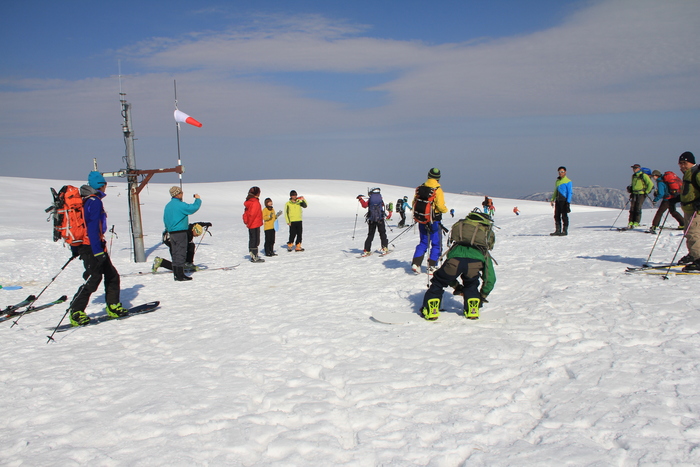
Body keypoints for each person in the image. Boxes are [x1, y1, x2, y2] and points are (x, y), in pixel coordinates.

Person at [67, 171, 128, 326]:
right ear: (102, 185)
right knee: (93, 278)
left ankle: (113, 305)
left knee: (112, 275)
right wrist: (98, 251)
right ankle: (76, 311)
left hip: (90, 246)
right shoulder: (94, 202)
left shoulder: (85, 200)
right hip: (92, 247)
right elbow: (92, 228)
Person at [420, 211, 496, 321]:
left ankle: (431, 309)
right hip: (474, 264)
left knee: (439, 281)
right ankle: (472, 308)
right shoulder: (483, 252)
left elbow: (448, 274)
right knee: (471, 284)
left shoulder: (455, 247)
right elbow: (490, 278)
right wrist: (482, 295)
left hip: (454, 261)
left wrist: (456, 286)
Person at [411, 168, 448, 273]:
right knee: (436, 243)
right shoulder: (437, 190)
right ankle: (432, 266)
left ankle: (416, 263)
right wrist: (445, 210)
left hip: (422, 219)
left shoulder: (420, 188)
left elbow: (414, 201)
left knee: (423, 242)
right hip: (434, 220)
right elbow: (440, 206)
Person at [164, 186, 202, 281]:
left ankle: (176, 274)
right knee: (181, 253)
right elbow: (192, 208)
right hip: (180, 232)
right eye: (181, 193)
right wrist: (198, 199)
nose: (182, 194)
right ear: (178, 194)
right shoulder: (180, 205)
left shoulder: (168, 206)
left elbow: (165, 219)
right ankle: (181, 275)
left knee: (175, 253)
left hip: (171, 233)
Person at [678, 151, 700, 271]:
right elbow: (689, 191)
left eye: (684, 163)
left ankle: (698, 259)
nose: (682, 166)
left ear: (691, 162)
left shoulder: (696, 172)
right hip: (689, 209)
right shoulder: (688, 173)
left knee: (693, 234)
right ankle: (694, 254)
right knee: (688, 233)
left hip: (696, 211)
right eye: (680, 163)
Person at [649, 170, 684, 234]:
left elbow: (661, 194)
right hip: (673, 197)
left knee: (660, 212)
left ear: (656, 175)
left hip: (667, 199)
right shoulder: (664, 179)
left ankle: (654, 226)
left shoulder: (660, 181)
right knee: (673, 211)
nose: (653, 178)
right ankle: (683, 224)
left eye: (653, 176)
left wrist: (655, 200)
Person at [357, 188, 389, 256]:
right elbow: (383, 205)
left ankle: (367, 250)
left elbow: (364, 206)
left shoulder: (370, 200)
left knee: (370, 235)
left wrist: (360, 199)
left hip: (372, 219)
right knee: (382, 233)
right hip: (380, 219)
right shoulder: (380, 199)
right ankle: (385, 248)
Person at [627, 164, 653, 229]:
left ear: (639, 168)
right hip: (634, 193)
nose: (634, 169)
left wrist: (646, 192)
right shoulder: (634, 176)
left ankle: (636, 222)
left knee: (638, 207)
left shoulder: (643, 175)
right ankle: (631, 221)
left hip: (641, 193)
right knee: (632, 207)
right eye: (633, 168)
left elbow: (650, 184)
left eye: (635, 168)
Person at [243, 186, 264, 263]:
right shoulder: (255, 202)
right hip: (254, 224)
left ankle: (253, 255)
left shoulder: (249, 201)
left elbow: (246, 213)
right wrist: (250, 223)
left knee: (253, 239)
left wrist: (247, 222)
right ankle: (254, 256)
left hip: (253, 223)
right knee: (255, 240)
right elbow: (253, 214)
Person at [550, 166, 573, 236]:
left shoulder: (568, 181)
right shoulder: (557, 181)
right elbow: (555, 191)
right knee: (556, 215)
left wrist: (568, 202)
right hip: (558, 200)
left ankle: (565, 231)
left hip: (564, 200)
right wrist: (552, 199)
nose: (560, 173)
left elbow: (570, 192)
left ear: (565, 172)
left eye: (562, 172)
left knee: (564, 216)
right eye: (559, 172)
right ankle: (557, 230)